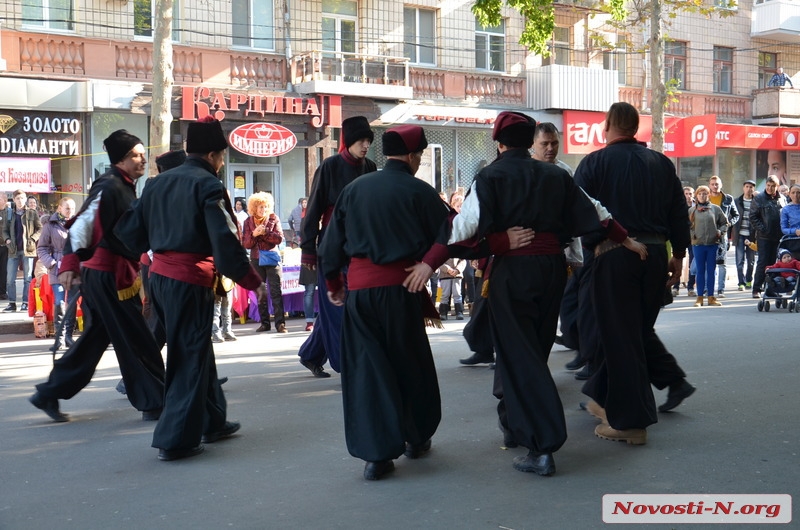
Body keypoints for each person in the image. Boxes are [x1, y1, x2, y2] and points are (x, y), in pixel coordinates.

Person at [414, 111, 645, 476]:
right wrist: (626, 238)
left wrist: (430, 261)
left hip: (514, 272)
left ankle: (542, 444)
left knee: (521, 358)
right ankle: (516, 425)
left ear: (500, 143)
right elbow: (597, 213)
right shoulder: (557, 175)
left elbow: (464, 228)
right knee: (533, 351)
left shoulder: (491, 175)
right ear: (530, 141)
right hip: (553, 271)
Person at [114, 116, 266, 461]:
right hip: (189, 281)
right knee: (188, 356)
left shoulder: (156, 183)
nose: (223, 162)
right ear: (213, 154)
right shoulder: (208, 185)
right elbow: (225, 242)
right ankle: (175, 439)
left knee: (194, 349)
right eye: (223, 156)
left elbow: (130, 232)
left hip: (160, 278)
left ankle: (213, 420)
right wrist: (251, 280)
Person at [319, 124, 449, 481]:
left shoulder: (353, 190)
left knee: (367, 372)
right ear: (413, 156)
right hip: (402, 290)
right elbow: (452, 232)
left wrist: (333, 282)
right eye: (419, 154)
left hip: (359, 292)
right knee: (410, 364)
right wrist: (429, 262)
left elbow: (330, 244)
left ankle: (376, 457)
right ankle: (416, 436)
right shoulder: (420, 191)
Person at [574, 102, 695, 446]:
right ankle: (604, 398)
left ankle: (630, 423)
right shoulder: (660, 163)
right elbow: (677, 212)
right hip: (656, 255)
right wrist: (679, 256)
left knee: (621, 338)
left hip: (615, 255)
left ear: (608, 124)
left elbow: (581, 214)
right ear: (635, 128)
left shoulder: (594, 162)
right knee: (636, 334)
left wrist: (592, 249)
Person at [29, 130, 165, 424]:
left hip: (110, 274)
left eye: (143, 154)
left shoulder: (123, 185)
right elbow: (81, 225)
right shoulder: (110, 186)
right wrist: (68, 263)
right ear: (122, 159)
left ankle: (50, 391)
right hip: (108, 276)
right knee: (137, 338)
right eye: (137, 155)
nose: (143, 159)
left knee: (95, 339)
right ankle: (154, 400)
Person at [298, 116, 377, 377]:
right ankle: (350, 367)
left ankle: (311, 354)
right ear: (348, 141)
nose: (365, 145)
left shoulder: (371, 168)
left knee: (342, 308)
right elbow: (313, 210)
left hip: (361, 249)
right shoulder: (329, 167)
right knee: (338, 308)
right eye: (360, 140)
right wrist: (308, 249)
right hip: (333, 249)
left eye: (368, 140)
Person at [36, 197, 78, 351]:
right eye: (67, 208)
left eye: (72, 208)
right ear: (59, 208)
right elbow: (41, 248)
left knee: (72, 303)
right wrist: (52, 263)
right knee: (59, 303)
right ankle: (58, 338)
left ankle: (69, 337)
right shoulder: (50, 225)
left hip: (73, 268)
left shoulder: (77, 223)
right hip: (57, 268)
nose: (70, 211)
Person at [242, 192, 286, 333]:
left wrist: (265, 232)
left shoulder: (274, 219)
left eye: (266, 206)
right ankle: (264, 323)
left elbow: (279, 239)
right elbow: (246, 244)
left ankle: (280, 324)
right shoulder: (248, 222)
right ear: (254, 208)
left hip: (272, 259)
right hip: (256, 259)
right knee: (260, 291)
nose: (263, 209)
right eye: (260, 207)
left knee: (275, 291)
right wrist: (254, 234)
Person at [3, 190, 42, 313]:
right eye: (18, 198)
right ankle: (12, 303)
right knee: (10, 279)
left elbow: (40, 228)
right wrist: (7, 239)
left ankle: (25, 302)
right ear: (13, 200)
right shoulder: (9, 214)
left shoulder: (32, 213)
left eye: (22, 198)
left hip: (28, 250)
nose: (20, 201)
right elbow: (4, 230)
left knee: (27, 278)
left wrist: (32, 238)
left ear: (25, 199)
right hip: (13, 250)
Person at [689, 186, 729, 307]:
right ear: (696, 196)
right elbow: (686, 226)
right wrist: (692, 235)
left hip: (712, 244)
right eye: (700, 194)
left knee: (711, 270)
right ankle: (699, 297)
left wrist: (720, 232)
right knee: (700, 270)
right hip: (698, 244)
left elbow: (725, 223)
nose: (702, 196)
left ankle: (711, 297)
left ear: (709, 195)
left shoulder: (715, 209)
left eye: (705, 193)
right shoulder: (692, 210)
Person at [751, 175, 786, 298]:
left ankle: (771, 288)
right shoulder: (759, 198)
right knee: (763, 262)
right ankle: (756, 288)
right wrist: (763, 229)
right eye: (768, 185)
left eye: (773, 186)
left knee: (775, 264)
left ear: (777, 186)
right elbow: (753, 217)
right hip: (764, 237)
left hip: (778, 236)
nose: (770, 188)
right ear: (766, 185)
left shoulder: (782, 198)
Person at [707, 176, 738, 298]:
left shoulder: (728, 199)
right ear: (709, 185)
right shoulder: (705, 197)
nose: (715, 186)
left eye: (717, 184)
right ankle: (706, 288)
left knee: (721, 263)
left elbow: (736, 215)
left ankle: (720, 290)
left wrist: (729, 224)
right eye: (713, 184)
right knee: (707, 263)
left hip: (722, 235)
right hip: (706, 235)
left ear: (721, 185)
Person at [732, 180, 757, 292]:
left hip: (751, 236)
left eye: (751, 187)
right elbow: (731, 217)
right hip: (739, 235)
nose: (749, 189)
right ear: (743, 188)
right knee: (739, 261)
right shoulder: (737, 201)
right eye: (747, 186)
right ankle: (741, 282)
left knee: (751, 261)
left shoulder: (756, 202)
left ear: (754, 189)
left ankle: (748, 280)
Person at [674, 186, 697, 296]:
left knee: (692, 263)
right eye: (686, 194)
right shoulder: (678, 206)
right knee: (678, 262)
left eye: (690, 194)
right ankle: (675, 286)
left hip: (693, 238)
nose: (688, 196)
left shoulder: (697, 207)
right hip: (680, 236)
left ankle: (690, 287)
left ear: (694, 195)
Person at [0, 194, 10, 300]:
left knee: (4, 270)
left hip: (5, 246)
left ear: (5, 200)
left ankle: (2, 292)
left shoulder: (9, 213)